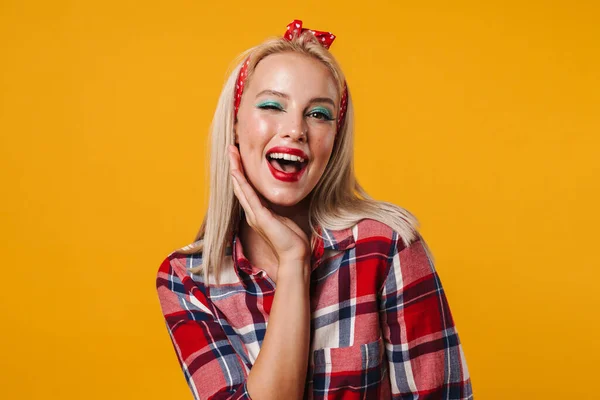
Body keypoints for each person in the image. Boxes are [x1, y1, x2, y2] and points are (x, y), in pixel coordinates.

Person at [156, 19, 473, 400]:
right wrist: (293, 262)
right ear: (235, 125)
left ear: (335, 140)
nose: (295, 130)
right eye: (272, 105)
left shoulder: (387, 248)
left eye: (318, 114)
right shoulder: (186, 279)